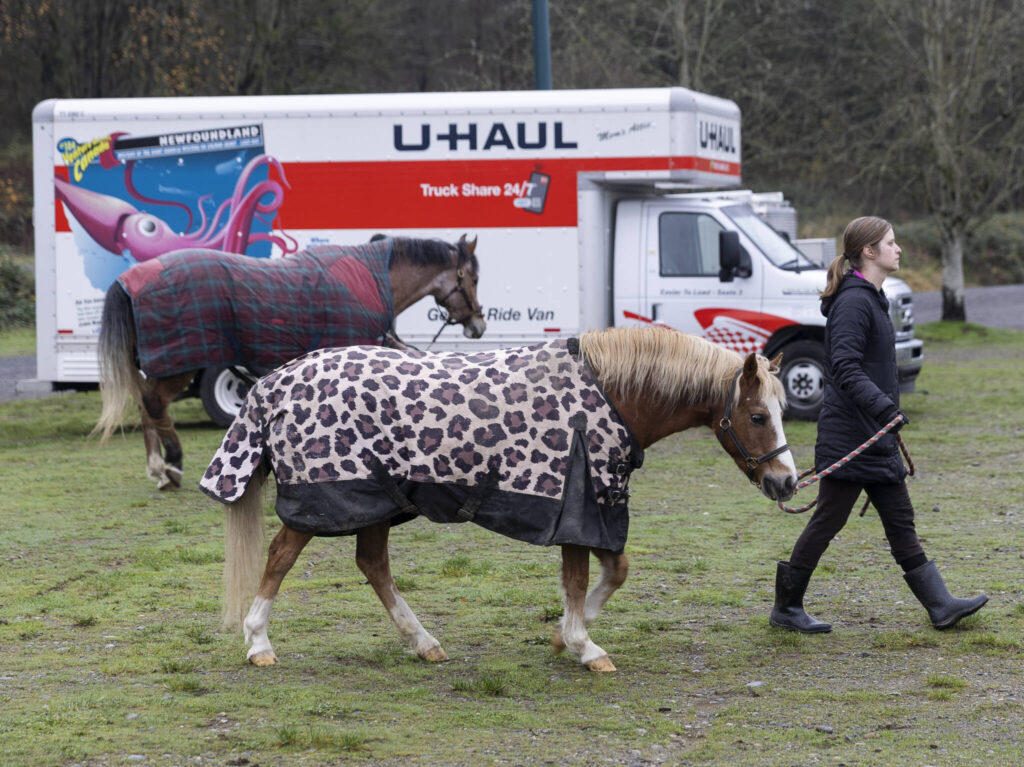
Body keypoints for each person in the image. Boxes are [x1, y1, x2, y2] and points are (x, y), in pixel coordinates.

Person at [770, 216, 988, 633]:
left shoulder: (870, 297)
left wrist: (884, 419)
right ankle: (787, 608)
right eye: (891, 242)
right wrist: (886, 410)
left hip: (874, 436)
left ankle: (940, 605)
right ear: (869, 252)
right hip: (852, 433)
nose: (899, 248)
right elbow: (845, 368)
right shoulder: (855, 302)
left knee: (900, 519)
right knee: (828, 521)